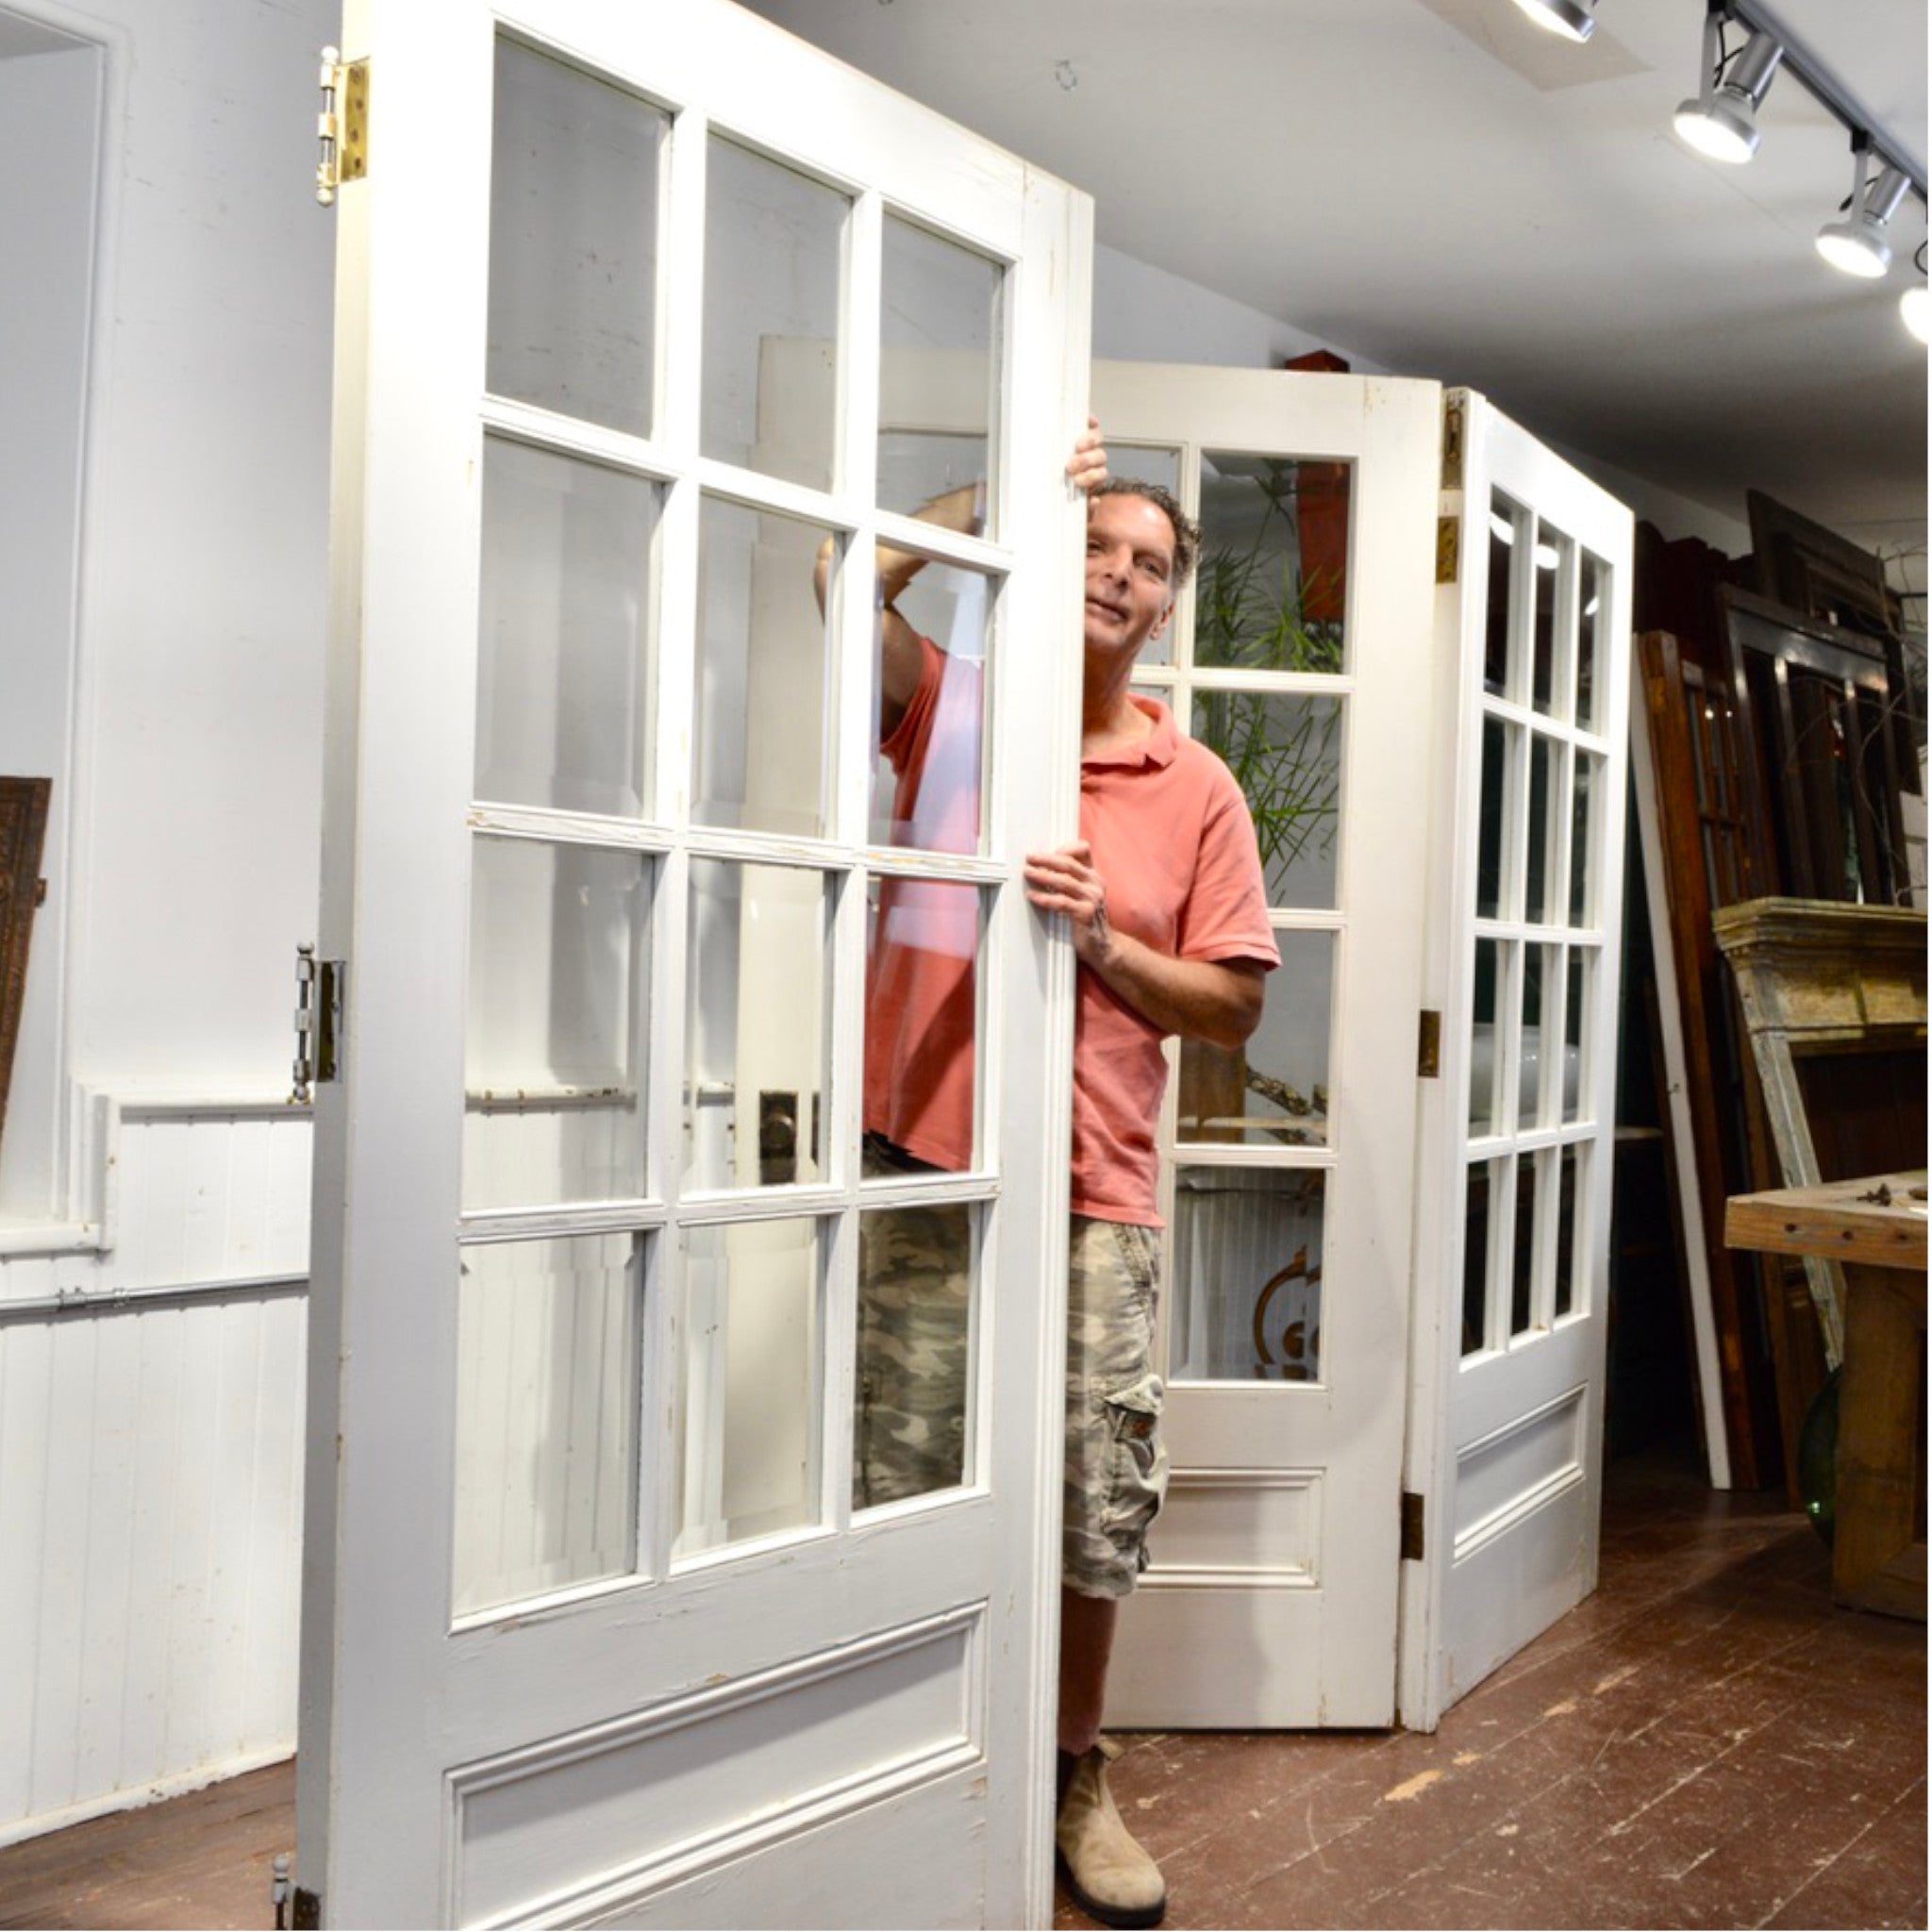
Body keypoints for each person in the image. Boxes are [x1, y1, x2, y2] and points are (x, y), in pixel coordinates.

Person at [832, 425, 1278, 1929]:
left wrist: (1107, 948)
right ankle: (901, 1767)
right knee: (901, 1472)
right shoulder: (957, 714)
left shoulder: (1194, 781)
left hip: (1095, 1180)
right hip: (928, 1165)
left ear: (1163, 612)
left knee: (1096, 1502)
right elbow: (845, 581)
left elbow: (1231, 1004)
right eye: (1099, 546)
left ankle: (1071, 1775)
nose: (1119, 575)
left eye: (1147, 566)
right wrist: (1014, 489)